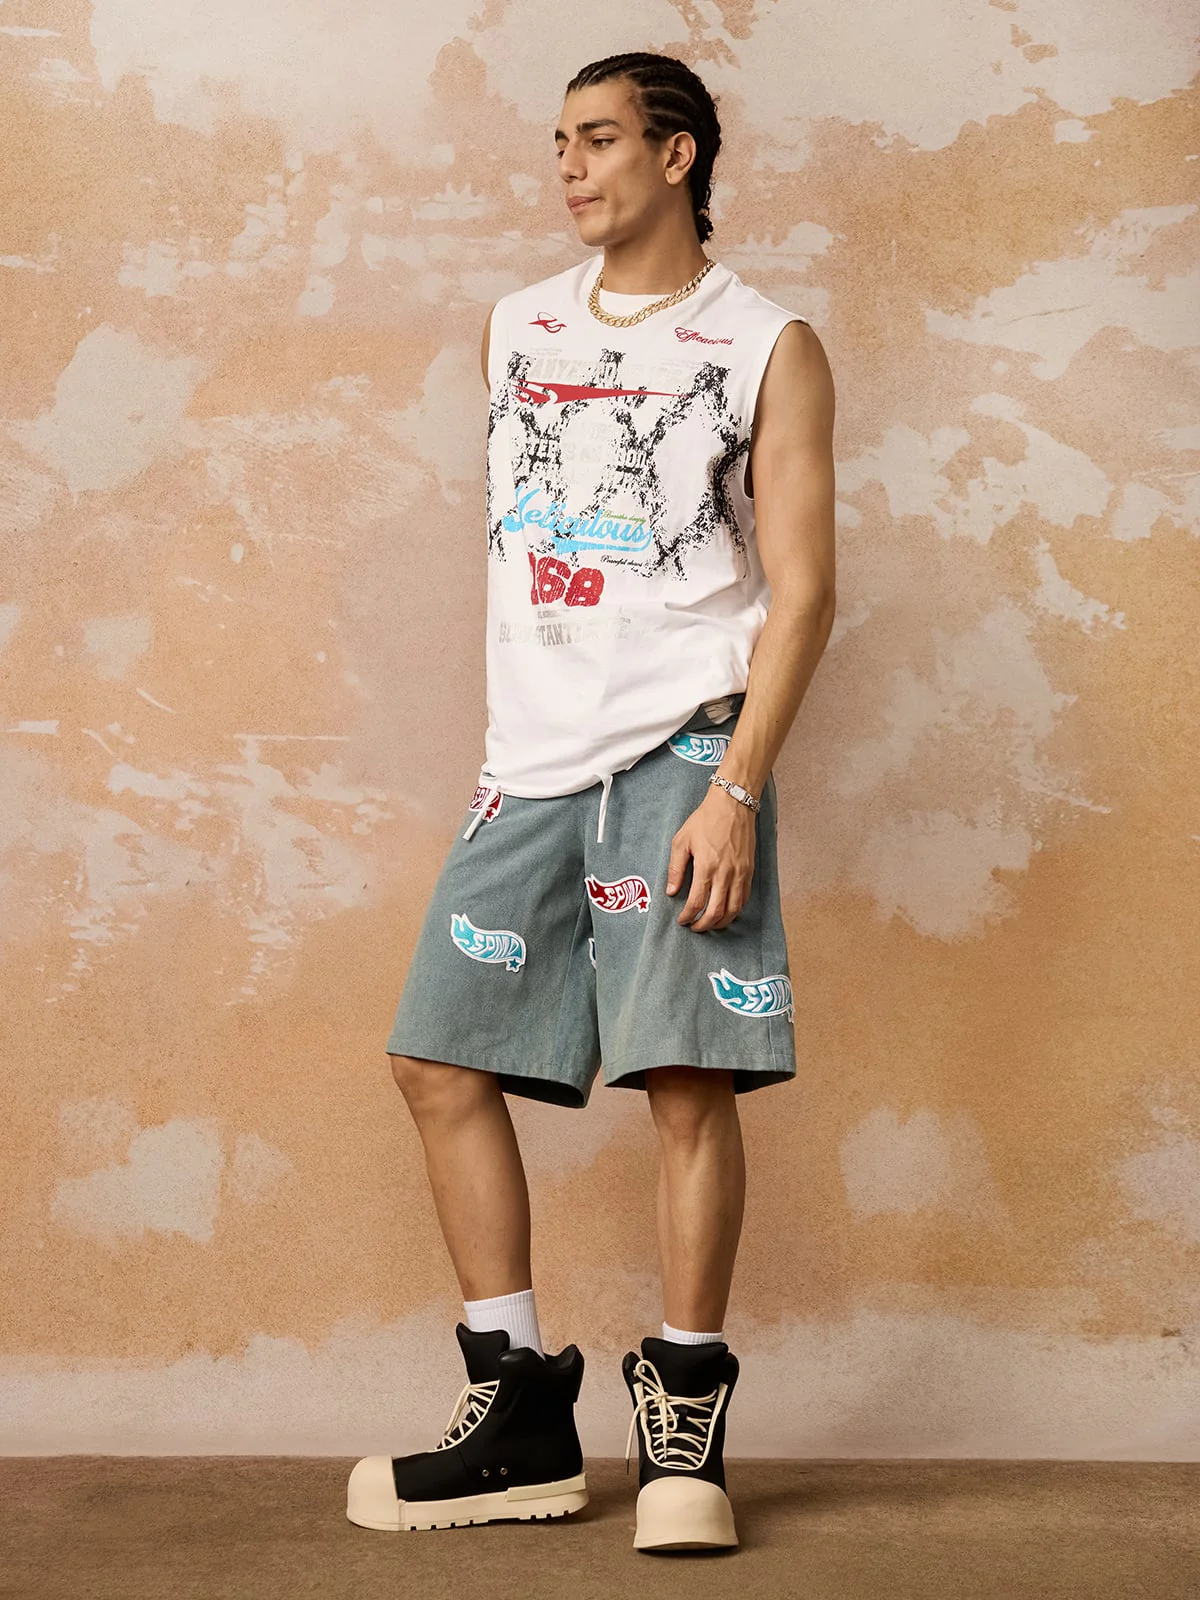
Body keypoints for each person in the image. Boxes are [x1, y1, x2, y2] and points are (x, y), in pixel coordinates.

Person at [347, 50, 835, 1553]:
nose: (569, 166)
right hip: (532, 761)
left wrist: (736, 789)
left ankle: (685, 1422)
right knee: (439, 1058)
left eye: (601, 138)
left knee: (685, 1080)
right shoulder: (516, 326)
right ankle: (517, 1409)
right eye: (560, 140)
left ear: (678, 156)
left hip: (687, 750)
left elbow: (805, 591)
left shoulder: (766, 343)